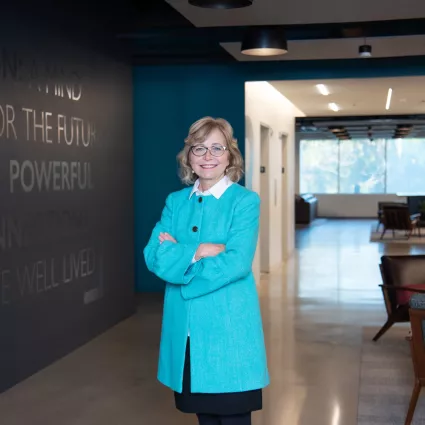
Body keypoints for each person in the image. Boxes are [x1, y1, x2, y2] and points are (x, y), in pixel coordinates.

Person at [143, 116, 269, 425]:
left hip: (229, 333)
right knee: (204, 419)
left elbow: (237, 263)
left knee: (234, 417)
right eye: (199, 148)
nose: (208, 156)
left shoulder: (245, 201)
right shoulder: (175, 202)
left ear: (230, 156)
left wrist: (180, 259)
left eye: (217, 148)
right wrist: (199, 250)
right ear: (188, 156)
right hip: (186, 333)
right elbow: (153, 256)